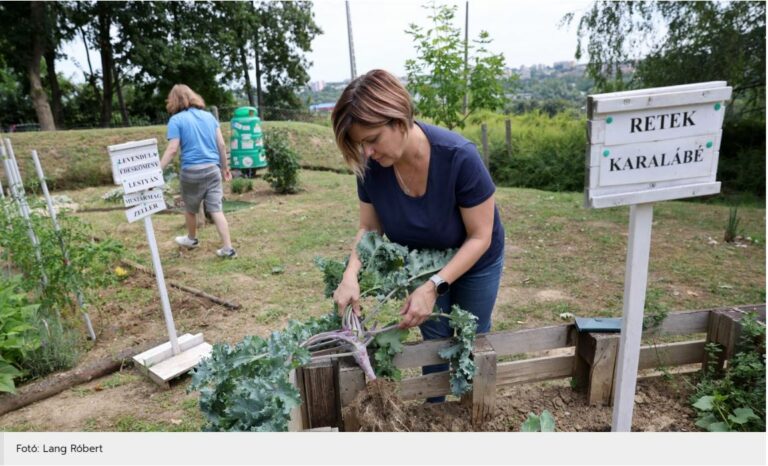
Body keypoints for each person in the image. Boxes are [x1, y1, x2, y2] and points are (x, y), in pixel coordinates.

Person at [330, 69, 505, 401]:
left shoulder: (459, 157)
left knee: (472, 336)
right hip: (423, 260)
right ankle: (435, 410)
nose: (367, 152)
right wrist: (350, 274)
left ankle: (473, 410)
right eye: (359, 144)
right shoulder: (372, 168)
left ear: (398, 121)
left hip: (475, 256)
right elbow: (369, 228)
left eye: (371, 139)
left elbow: (480, 236)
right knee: (435, 340)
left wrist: (434, 286)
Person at [160, 84, 236, 258]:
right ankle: (228, 248)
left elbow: (172, 149)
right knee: (216, 209)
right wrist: (225, 168)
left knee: (190, 208)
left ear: (173, 101)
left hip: (191, 172)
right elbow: (222, 145)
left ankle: (192, 239)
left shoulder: (176, 120)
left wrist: (158, 170)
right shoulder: (209, 117)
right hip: (213, 169)